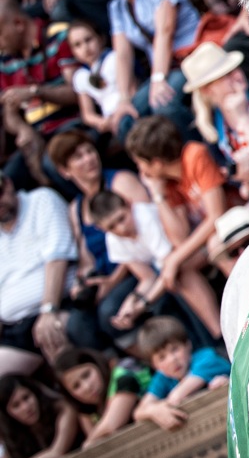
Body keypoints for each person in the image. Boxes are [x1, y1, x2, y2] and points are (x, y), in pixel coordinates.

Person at [47, 130, 150, 346]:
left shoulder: (121, 182)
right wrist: (83, 282)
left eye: (89, 151)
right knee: (77, 324)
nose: (88, 159)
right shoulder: (76, 208)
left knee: (109, 310)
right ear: (65, 171)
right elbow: (86, 259)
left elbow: (147, 232)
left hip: (139, 266)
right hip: (106, 277)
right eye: (78, 157)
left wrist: (113, 281)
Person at [90, 0, 197, 143]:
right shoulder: (117, 7)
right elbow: (122, 54)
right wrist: (123, 99)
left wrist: (158, 78)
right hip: (166, 69)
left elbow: (165, 31)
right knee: (125, 121)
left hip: (190, 56)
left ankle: (207, 157)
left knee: (164, 104)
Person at [90, 189, 223, 342]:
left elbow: (170, 269)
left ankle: (215, 338)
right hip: (167, 266)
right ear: (101, 229)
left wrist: (143, 303)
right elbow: (147, 277)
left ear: (129, 204)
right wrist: (131, 303)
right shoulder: (113, 240)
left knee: (175, 282)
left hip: (193, 251)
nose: (121, 229)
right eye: (112, 227)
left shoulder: (146, 217)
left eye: (121, 219)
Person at [181, 42, 249, 222]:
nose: (236, 75)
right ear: (208, 90)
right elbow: (233, 178)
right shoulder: (210, 126)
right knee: (243, 223)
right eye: (225, 75)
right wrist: (245, 179)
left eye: (234, 69)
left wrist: (243, 119)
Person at [125, 116, 240, 278]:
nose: (140, 169)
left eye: (140, 162)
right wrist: (158, 195)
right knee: (180, 270)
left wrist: (176, 258)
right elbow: (179, 238)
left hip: (235, 217)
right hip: (211, 235)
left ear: (157, 163)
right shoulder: (167, 182)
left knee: (211, 245)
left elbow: (217, 215)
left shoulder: (194, 155)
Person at [0, 0, 79, 194]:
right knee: (7, 182)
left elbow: (79, 92)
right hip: (36, 135)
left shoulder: (59, 35)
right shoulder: (5, 61)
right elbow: (9, 113)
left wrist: (36, 92)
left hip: (72, 123)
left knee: (51, 164)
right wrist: (22, 130)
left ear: (18, 24)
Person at [0, 175, 77, 376]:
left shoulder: (40, 200)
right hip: (15, 327)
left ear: (8, 183)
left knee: (64, 340)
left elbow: (57, 257)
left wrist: (49, 310)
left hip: (58, 305)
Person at [133, 316, 230, 432]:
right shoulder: (162, 378)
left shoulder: (207, 358)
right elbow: (138, 413)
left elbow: (177, 397)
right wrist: (154, 411)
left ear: (187, 345)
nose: (172, 359)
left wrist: (159, 405)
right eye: (162, 357)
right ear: (155, 366)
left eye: (174, 349)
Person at [53, 347, 154, 448]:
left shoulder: (124, 376)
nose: (87, 387)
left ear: (97, 364)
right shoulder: (87, 410)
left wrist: (88, 442)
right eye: (76, 386)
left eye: (86, 375)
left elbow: (111, 425)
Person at [63, 21, 124, 137]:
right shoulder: (80, 76)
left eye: (88, 40)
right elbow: (87, 114)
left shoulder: (115, 58)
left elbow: (132, 88)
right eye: (77, 45)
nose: (85, 48)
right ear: (73, 52)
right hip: (108, 119)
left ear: (101, 39)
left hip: (126, 107)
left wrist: (117, 115)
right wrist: (101, 122)